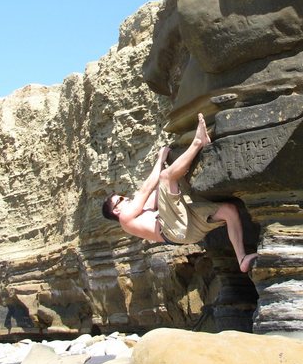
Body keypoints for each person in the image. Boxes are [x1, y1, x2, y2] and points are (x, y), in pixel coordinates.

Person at [102, 114, 258, 273]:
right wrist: (160, 160)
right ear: (116, 210)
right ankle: (198, 142)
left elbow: (160, 191)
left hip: (187, 231)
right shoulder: (124, 218)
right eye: (120, 199)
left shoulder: (140, 214)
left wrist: (169, 164)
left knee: (229, 211)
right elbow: (147, 188)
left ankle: (242, 259)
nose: (125, 198)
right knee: (165, 177)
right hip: (173, 229)